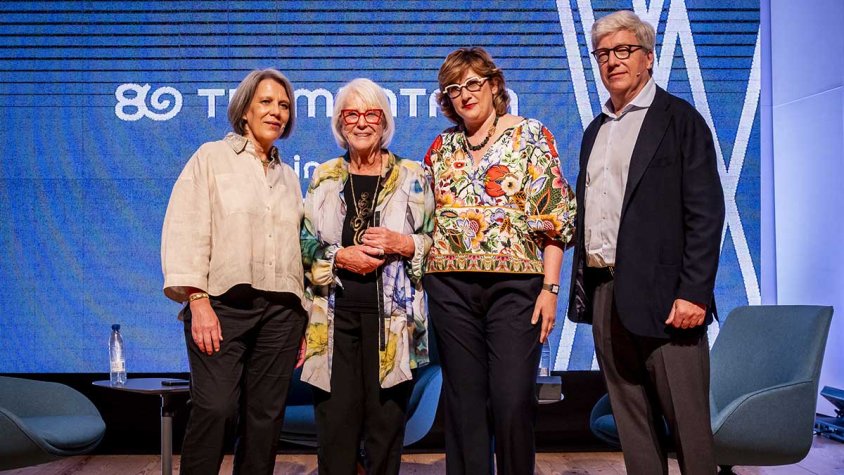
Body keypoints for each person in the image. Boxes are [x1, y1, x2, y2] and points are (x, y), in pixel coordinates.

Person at [567, 10, 725, 475]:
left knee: (690, 431)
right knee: (632, 425)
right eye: (603, 54)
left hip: (668, 302)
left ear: (648, 59)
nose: (612, 61)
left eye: (624, 51)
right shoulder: (595, 130)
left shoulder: (680, 120)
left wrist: (694, 292)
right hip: (606, 295)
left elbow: (705, 213)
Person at [422, 47, 576, 475]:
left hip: (517, 288)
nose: (465, 94)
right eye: (454, 88)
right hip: (450, 288)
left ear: (493, 85)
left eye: (473, 83)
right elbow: (423, 216)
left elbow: (555, 219)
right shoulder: (441, 147)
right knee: (464, 406)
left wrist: (550, 288)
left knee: (511, 401)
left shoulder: (531, 135)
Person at [161, 69, 307, 475]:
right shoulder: (211, 158)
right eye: (266, 102)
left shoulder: (289, 176)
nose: (276, 111)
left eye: (284, 105)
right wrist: (197, 298)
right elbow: (185, 228)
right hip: (222, 305)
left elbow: (298, 249)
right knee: (216, 408)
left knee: (265, 420)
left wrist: (303, 314)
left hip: (282, 312)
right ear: (244, 110)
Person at [299, 78, 434, 475]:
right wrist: (340, 256)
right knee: (335, 434)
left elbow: (435, 241)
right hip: (332, 325)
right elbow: (303, 244)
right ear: (340, 123)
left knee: (384, 434)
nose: (361, 123)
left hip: (393, 327)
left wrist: (402, 243)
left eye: (371, 114)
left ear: (384, 121)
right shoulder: (323, 176)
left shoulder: (413, 175)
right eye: (352, 114)